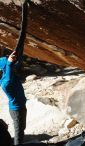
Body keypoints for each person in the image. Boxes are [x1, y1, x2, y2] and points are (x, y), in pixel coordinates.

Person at [0, 0, 29, 145]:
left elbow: (7, 65)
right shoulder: (5, 82)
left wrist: (10, 60)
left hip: (18, 108)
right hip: (17, 109)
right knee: (19, 133)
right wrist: (11, 62)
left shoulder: (4, 70)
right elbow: (9, 72)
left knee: (21, 128)